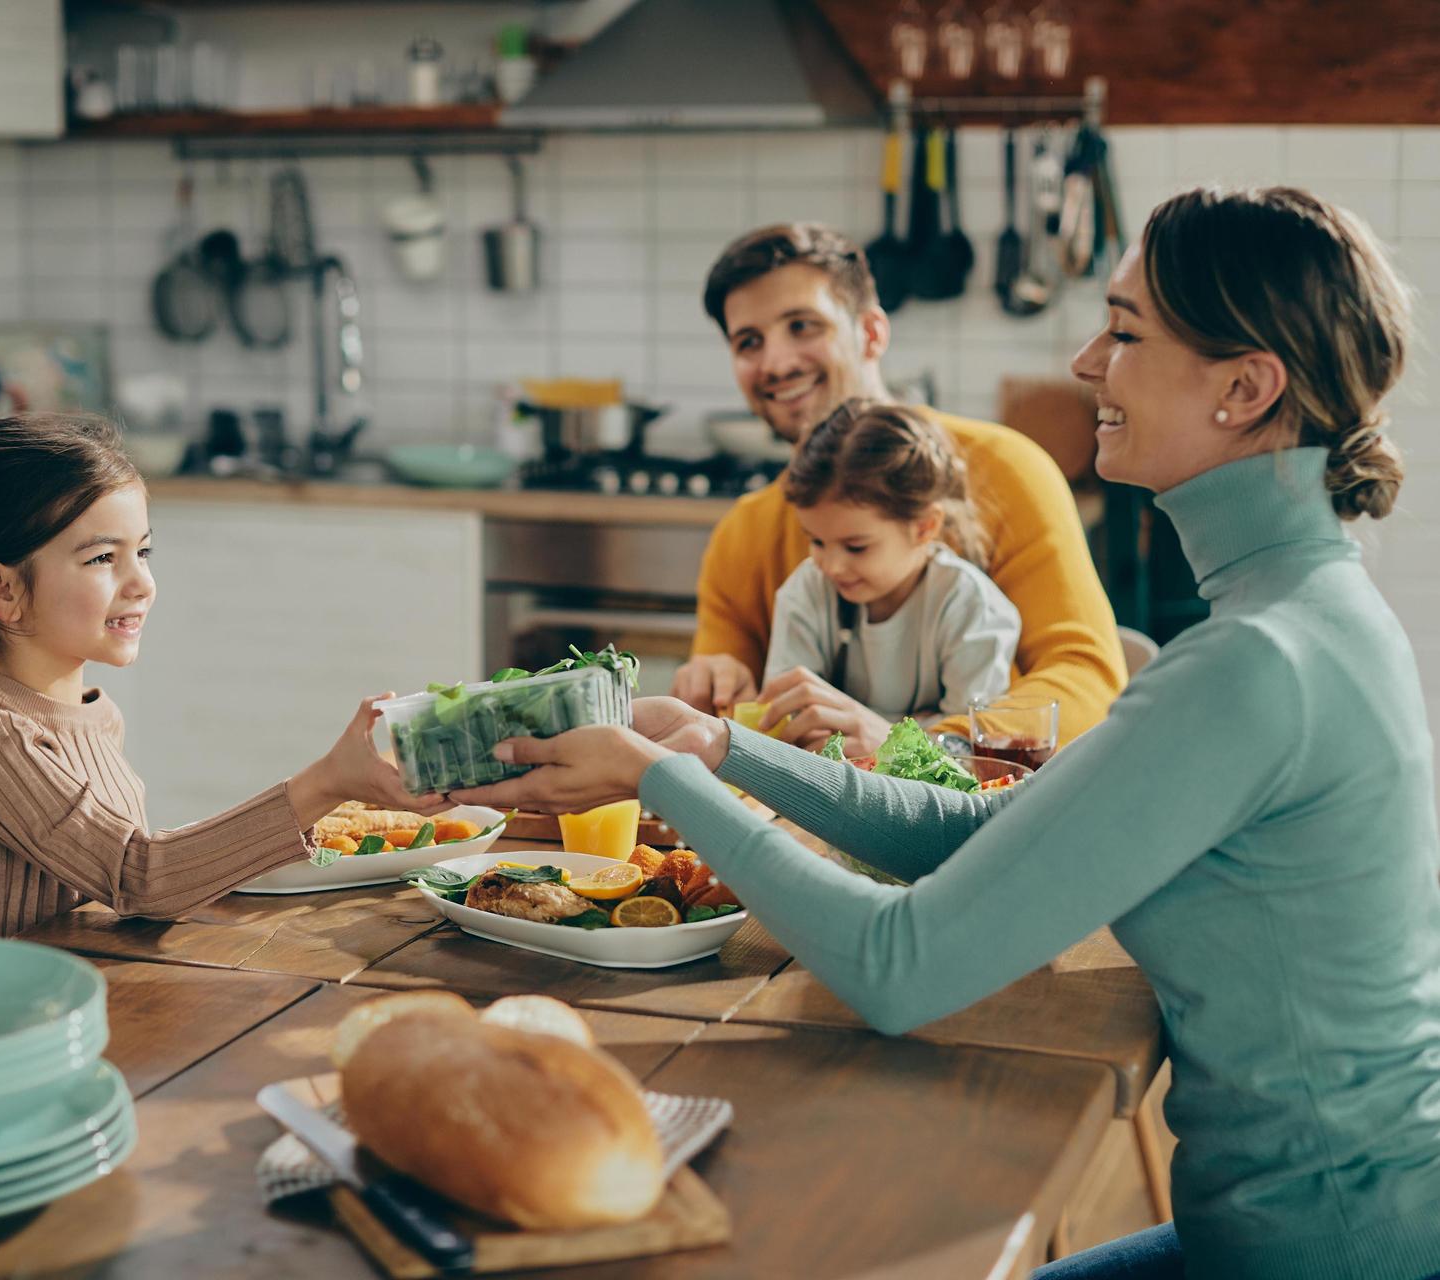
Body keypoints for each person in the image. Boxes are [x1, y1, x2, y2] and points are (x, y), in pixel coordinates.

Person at [457, 187, 1440, 1279]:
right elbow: (978, 828)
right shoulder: (1305, 617)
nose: (1081, 361)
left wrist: (655, 775)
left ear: (1244, 387)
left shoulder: (1252, 663)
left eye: (1122, 331)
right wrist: (715, 748)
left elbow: (898, 966)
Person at [0, 414, 442, 938]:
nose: (141, 584)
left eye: (143, 552)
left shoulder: (94, 714)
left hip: (94, 992)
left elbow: (125, 877)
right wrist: (324, 783)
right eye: (102, 559)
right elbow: (139, 878)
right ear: (0, 589)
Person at [672, 223, 1123, 756]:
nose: (776, 362)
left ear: (871, 333)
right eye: (749, 342)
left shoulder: (1008, 471)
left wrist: (917, 750)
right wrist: (715, 684)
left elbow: (1085, 676)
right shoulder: (741, 535)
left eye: (802, 325)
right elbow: (734, 730)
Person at [766, 399, 1019, 725]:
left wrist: (877, 735)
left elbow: (967, 751)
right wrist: (923, 726)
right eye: (817, 541)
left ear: (925, 527)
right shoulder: (806, 590)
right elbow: (786, 720)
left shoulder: (971, 608)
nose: (832, 566)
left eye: (856, 547)